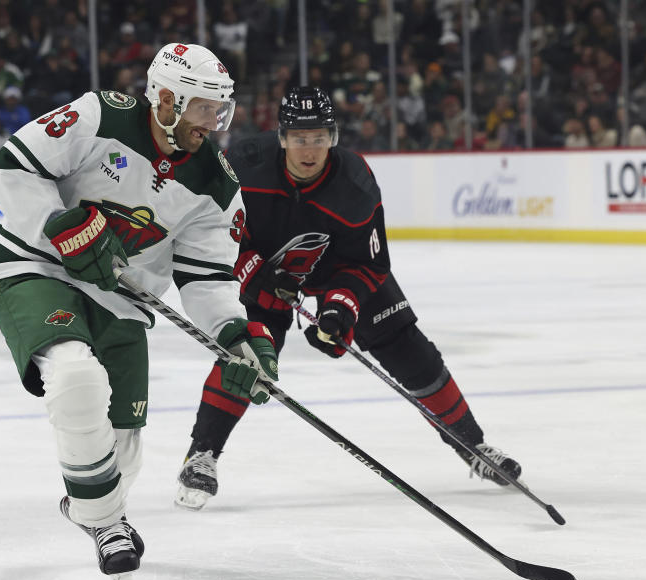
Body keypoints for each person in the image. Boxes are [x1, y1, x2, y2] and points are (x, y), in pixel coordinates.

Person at [0, 43, 279, 580]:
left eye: (219, 110)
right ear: (165, 99)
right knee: (74, 377)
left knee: (123, 449)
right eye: (202, 109)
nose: (213, 123)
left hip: (122, 299)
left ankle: (93, 505)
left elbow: (209, 280)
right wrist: (59, 224)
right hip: (37, 267)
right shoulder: (101, 116)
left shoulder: (217, 186)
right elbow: (13, 167)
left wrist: (235, 337)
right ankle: (107, 522)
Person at [174, 86, 522, 511]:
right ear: (281, 137)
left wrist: (340, 310)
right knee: (249, 354)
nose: (309, 148)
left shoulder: (355, 184)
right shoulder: (245, 166)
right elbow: (211, 229)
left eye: (319, 137)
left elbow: (368, 265)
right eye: (300, 138)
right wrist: (251, 269)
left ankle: (475, 447)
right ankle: (202, 454)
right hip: (267, 273)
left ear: (333, 137)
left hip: (335, 269)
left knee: (410, 351)